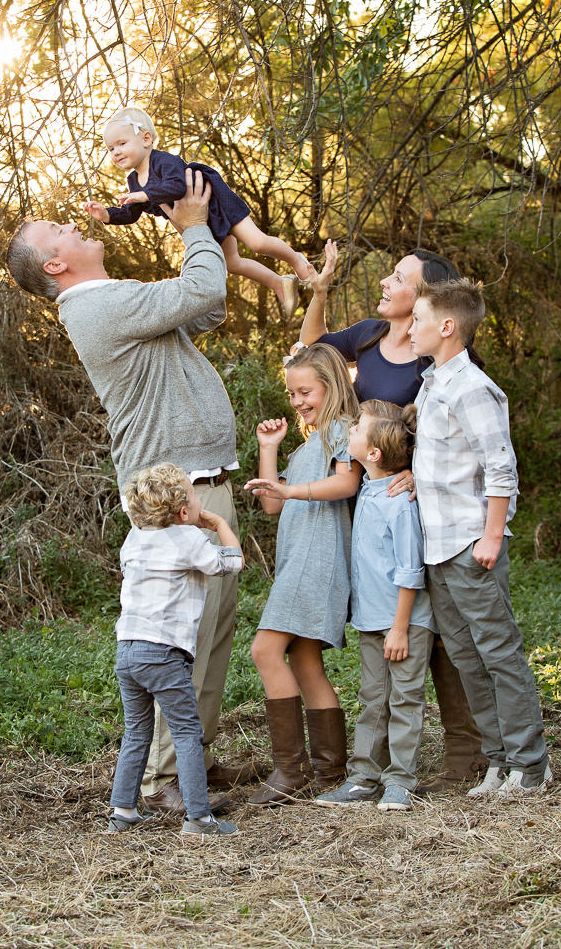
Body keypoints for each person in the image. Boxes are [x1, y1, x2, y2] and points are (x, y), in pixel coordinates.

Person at [6, 170, 254, 817]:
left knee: (210, 629)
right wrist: (195, 224)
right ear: (56, 262)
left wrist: (214, 242)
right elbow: (201, 288)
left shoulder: (114, 297)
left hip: (194, 481)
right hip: (180, 496)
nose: (71, 223)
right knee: (192, 636)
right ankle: (167, 779)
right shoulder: (94, 305)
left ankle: (185, 755)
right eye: (57, 230)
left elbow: (208, 305)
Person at [297, 242, 488, 793]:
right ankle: (373, 768)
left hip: (422, 508)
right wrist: (321, 289)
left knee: (441, 629)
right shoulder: (369, 337)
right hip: (372, 498)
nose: (385, 281)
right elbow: (312, 348)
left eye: (398, 276)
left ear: (424, 296)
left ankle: (463, 752)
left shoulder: (445, 355)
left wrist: (417, 473)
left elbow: (462, 436)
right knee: (389, 615)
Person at [409, 277, 551, 796]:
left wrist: (492, 537)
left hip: (471, 543)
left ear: (447, 327)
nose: (411, 328)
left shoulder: (473, 389)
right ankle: (499, 759)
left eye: (419, 320)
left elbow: (502, 469)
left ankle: (531, 765)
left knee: (498, 651)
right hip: (436, 544)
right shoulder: (432, 382)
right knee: (467, 656)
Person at [243, 344, 363, 805]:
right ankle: (329, 768)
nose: (296, 402)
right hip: (299, 559)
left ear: (332, 387)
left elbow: (346, 483)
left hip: (321, 557)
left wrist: (292, 488)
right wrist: (269, 450)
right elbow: (273, 502)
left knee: (265, 650)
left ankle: (289, 771)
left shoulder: (342, 431)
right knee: (305, 662)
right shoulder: (308, 443)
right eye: (292, 394)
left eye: (305, 391)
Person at [109, 463, 243, 838]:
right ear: (185, 512)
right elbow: (232, 562)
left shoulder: (134, 538)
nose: (200, 500)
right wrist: (218, 526)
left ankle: (123, 810)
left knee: (137, 731)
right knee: (186, 731)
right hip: (163, 654)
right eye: (195, 495)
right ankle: (199, 818)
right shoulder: (189, 540)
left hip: (128, 650)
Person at [82, 106, 315, 319]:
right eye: (111, 148)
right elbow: (132, 212)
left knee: (258, 243)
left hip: (216, 204)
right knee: (231, 262)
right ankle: (278, 283)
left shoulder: (163, 162)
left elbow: (177, 186)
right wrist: (109, 215)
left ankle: (297, 261)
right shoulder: (133, 180)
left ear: (146, 139)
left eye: (121, 144)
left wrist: (146, 195)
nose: (116, 152)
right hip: (201, 222)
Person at [315, 400, 435, 812]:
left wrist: (400, 628)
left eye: (356, 430)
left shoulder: (399, 503)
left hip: (406, 623)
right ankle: (364, 777)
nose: (348, 432)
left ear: (374, 454)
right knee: (373, 698)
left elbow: (410, 570)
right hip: (371, 620)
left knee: (404, 699)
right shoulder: (368, 490)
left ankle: (400, 780)